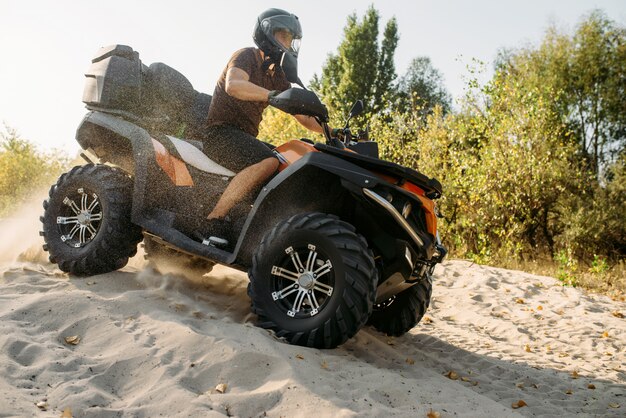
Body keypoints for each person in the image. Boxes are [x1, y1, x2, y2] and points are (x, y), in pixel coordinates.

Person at [195, 8, 323, 244]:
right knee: (269, 160)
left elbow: (301, 116)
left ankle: (251, 228)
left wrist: (329, 129)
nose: (287, 43)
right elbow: (234, 85)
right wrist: (272, 96)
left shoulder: (278, 75)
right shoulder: (246, 56)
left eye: (290, 39)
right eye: (283, 36)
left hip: (244, 138)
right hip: (220, 132)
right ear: (267, 33)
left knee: (287, 162)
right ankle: (213, 219)